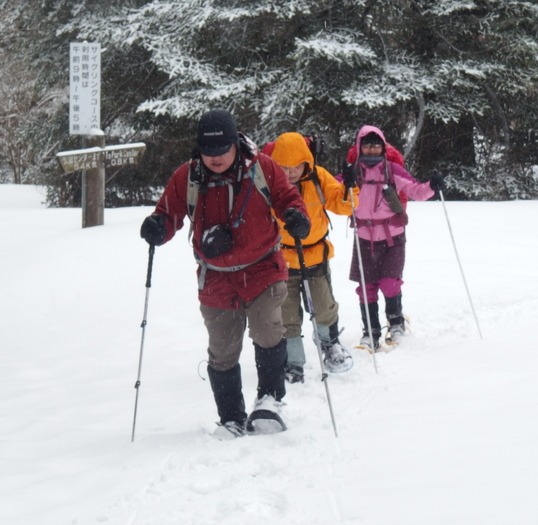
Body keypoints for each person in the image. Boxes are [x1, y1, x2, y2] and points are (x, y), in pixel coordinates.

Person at [139, 109, 310, 439]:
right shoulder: (188, 177)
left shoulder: (262, 168)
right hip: (216, 277)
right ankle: (231, 417)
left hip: (263, 267)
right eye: (208, 151)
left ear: (235, 143)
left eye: (222, 150)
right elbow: (169, 212)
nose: (215, 158)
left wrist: (295, 215)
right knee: (223, 349)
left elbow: (287, 197)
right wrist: (158, 226)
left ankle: (270, 401)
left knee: (267, 329)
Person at [266, 132, 359, 383]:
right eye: (284, 167)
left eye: (296, 166)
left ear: (305, 161)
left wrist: (350, 187)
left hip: (315, 255)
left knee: (323, 304)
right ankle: (293, 359)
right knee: (286, 313)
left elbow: (343, 205)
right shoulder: (270, 183)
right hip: (282, 259)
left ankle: (330, 344)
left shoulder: (318, 177)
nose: (290, 172)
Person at [342, 125, 445, 351]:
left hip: (393, 237)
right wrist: (344, 182)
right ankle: (370, 333)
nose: (371, 150)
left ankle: (396, 322)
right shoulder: (353, 172)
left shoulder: (392, 169)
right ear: (359, 147)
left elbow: (415, 190)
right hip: (364, 238)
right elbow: (332, 193)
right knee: (366, 288)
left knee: (389, 284)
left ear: (382, 145)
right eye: (366, 145)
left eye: (375, 144)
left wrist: (432, 186)